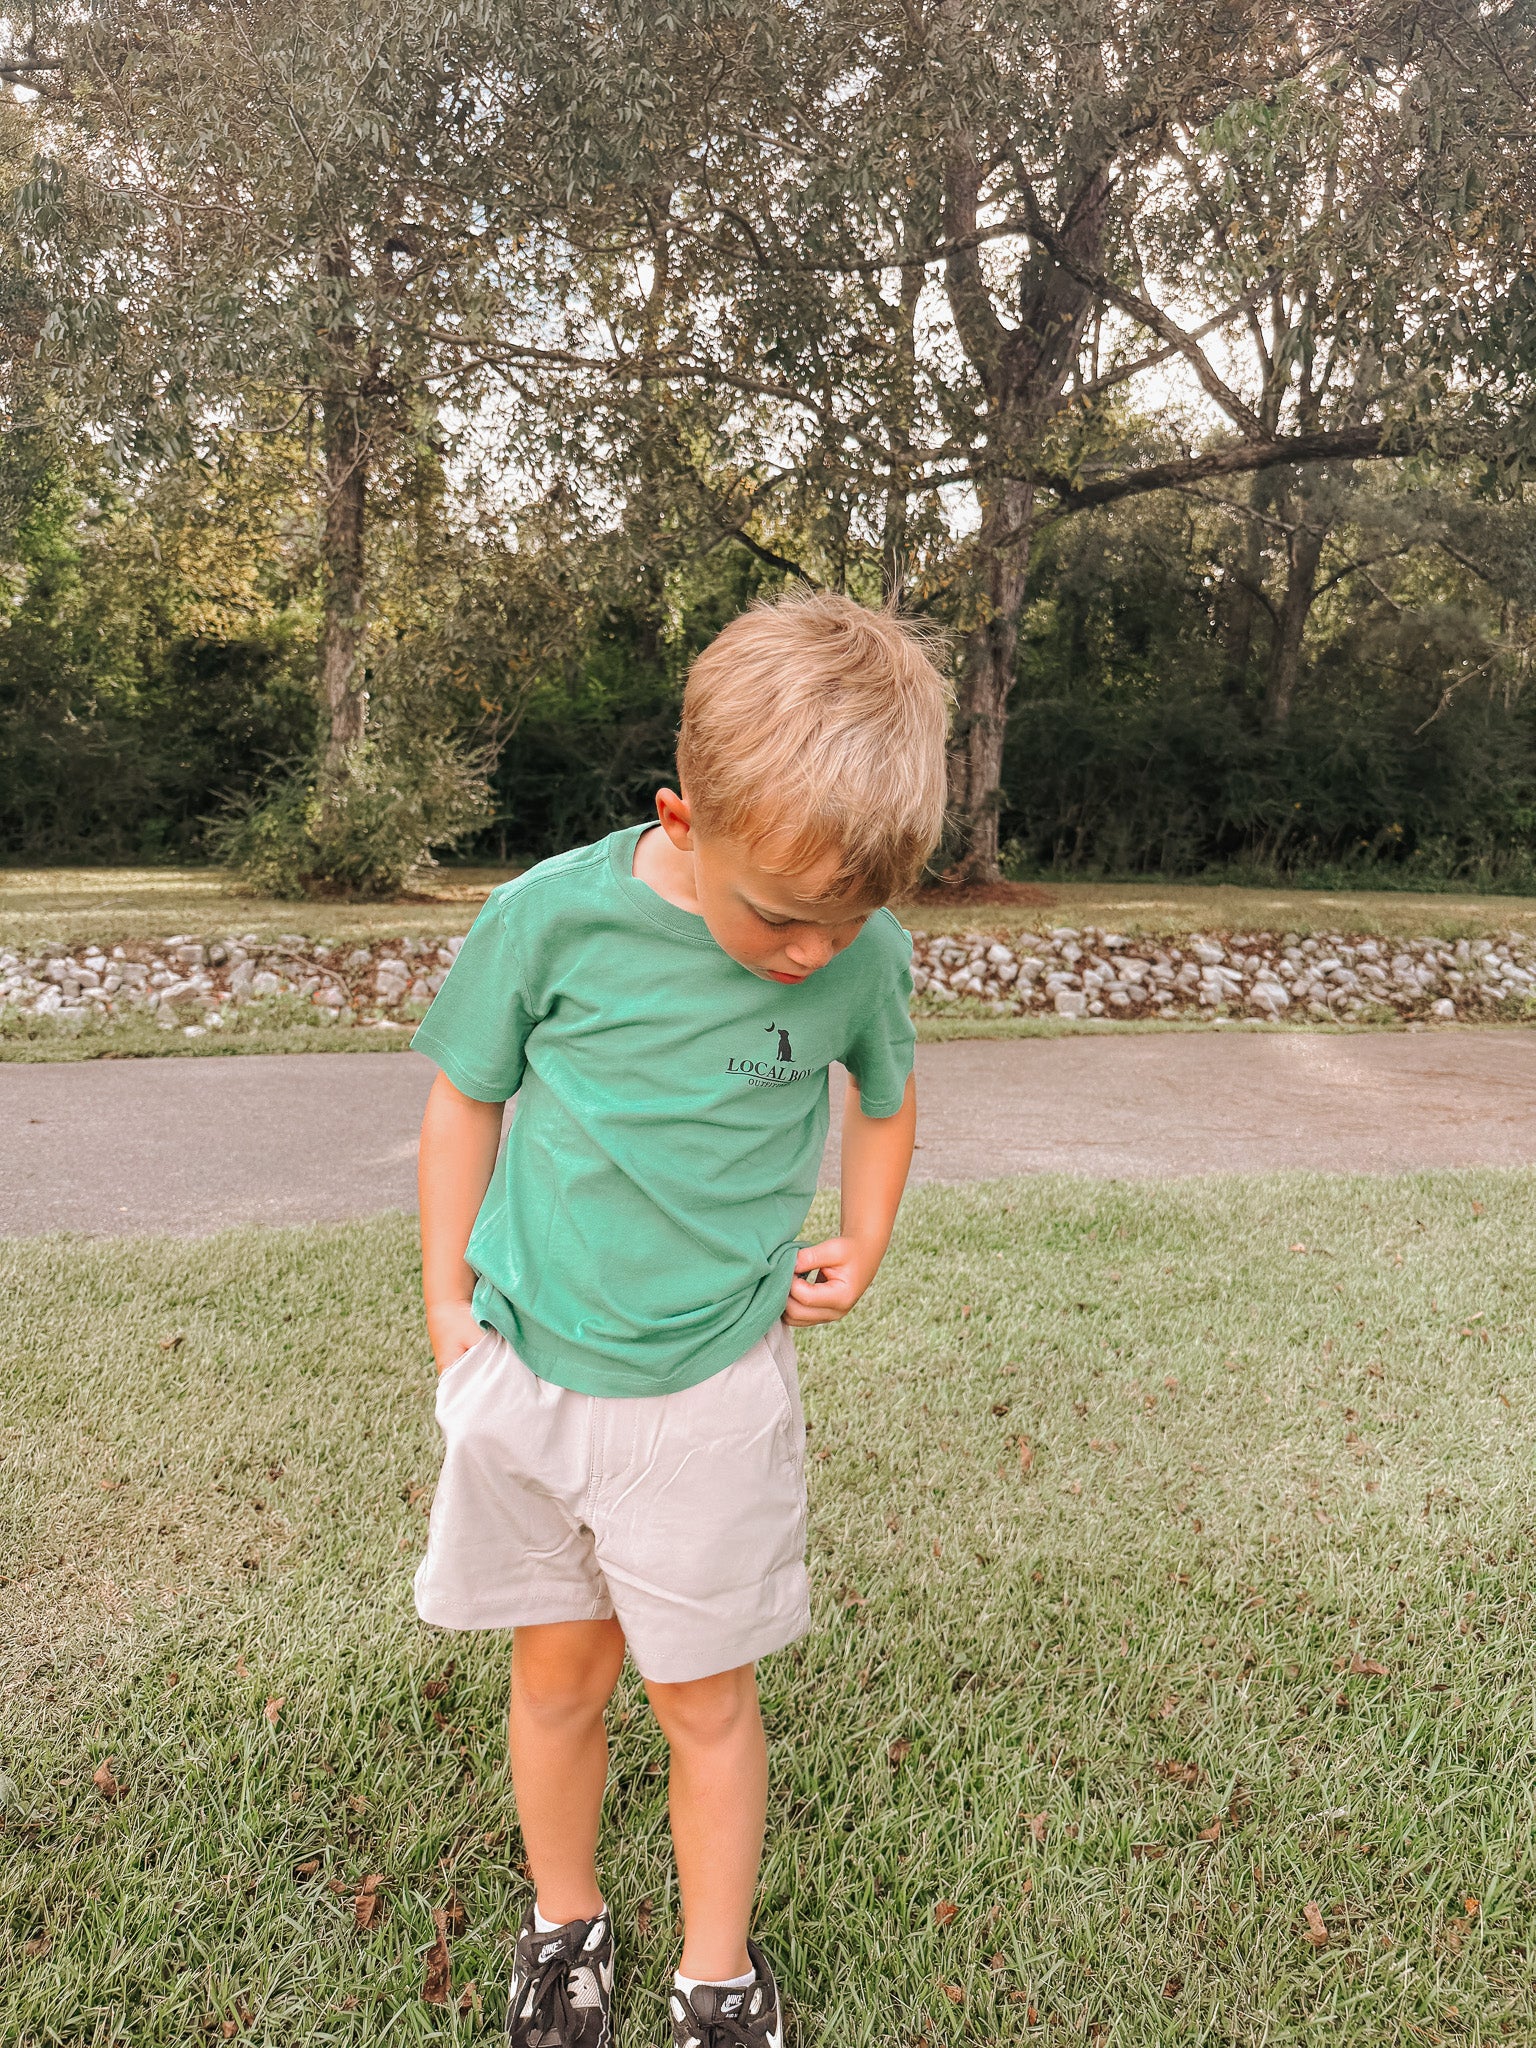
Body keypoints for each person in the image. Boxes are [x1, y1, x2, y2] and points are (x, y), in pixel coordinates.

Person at [411, 589, 950, 2048]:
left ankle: (717, 1976)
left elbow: (885, 1098)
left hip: (711, 1390)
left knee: (703, 1697)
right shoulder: (550, 919)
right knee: (561, 1675)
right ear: (685, 816)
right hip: (532, 1376)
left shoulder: (861, 950)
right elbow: (466, 1093)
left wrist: (871, 1233)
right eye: (781, 917)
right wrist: (451, 1310)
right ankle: (563, 1925)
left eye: (843, 926)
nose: (806, 955)